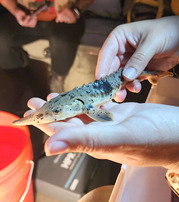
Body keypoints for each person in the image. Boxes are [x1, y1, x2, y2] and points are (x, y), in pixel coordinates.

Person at [24, 16, 179, 196]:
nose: (55, 113)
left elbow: (105, 116)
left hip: (121, 79)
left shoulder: (86, 106)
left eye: (57, 111)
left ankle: (157, 73)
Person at [0, 0, 95, 92]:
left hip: (65, 15)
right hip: (28, 14)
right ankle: (23, 76)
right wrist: (15, 10)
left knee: (62, 41)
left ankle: (57, 78)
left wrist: (75, 11)